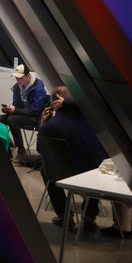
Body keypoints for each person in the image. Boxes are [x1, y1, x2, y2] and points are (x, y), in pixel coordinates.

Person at [36, 86, 107, 229]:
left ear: (54, 102)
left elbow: (40, 150)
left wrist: (43, 124)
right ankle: (89, 216)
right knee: (91, 163)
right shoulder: (93, 120)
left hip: (68, 175)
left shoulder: (50, 127)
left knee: (46, 169)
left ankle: (64, 215)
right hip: (98, 174)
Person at [0, 64, 47, 160]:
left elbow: (35, 111)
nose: (18, 80)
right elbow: (15, 105)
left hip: (35, 118)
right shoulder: (17, 87)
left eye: (20, 78)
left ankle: (21, 150)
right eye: (16, 78)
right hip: (21, 115)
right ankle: (6, 150)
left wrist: (15, 110)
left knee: (12, 120)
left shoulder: (39, 89)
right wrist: (7, 110)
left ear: (28, 75)